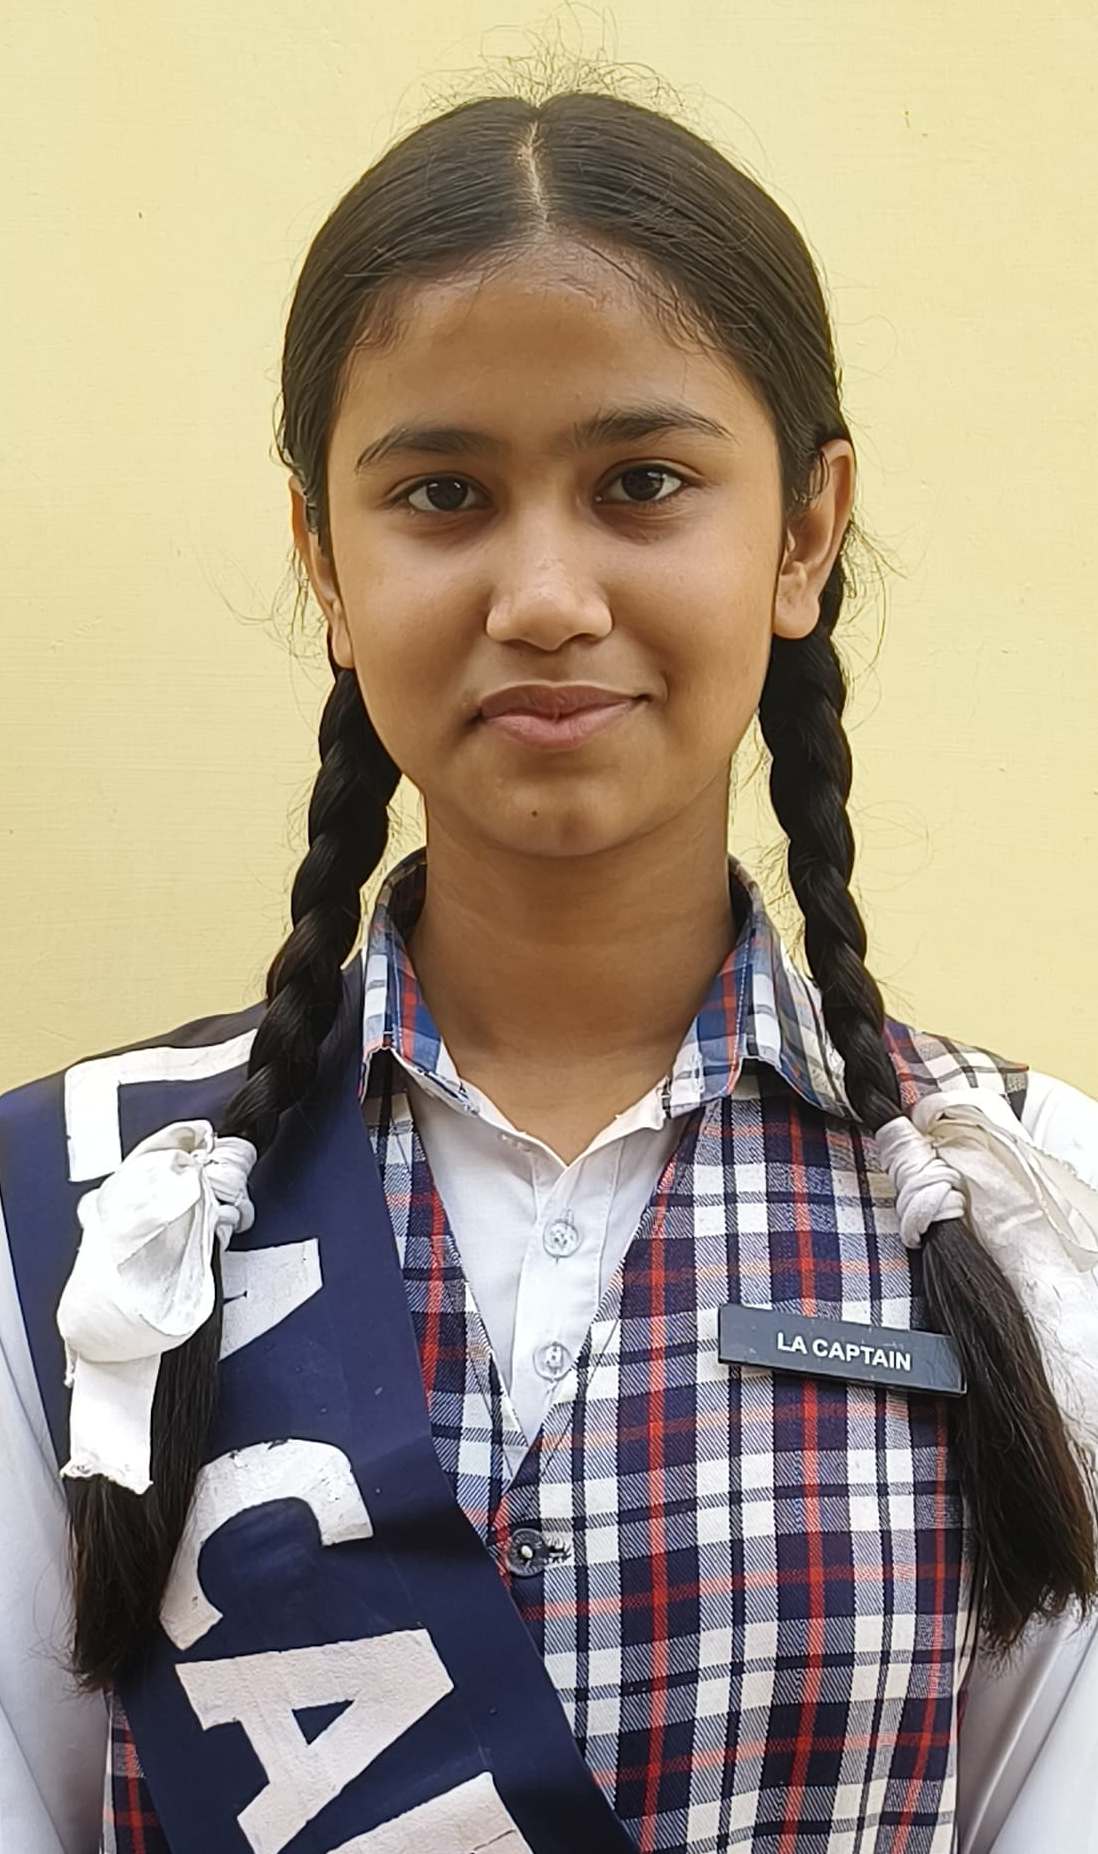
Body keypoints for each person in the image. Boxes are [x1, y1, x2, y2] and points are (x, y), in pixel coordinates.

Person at [1, 83, 1097, 1854]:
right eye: (441, 494)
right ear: (324, 559)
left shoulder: (1032, 1221)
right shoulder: (84, 1229)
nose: (542, 594)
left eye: (639, 484)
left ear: (803, 531)